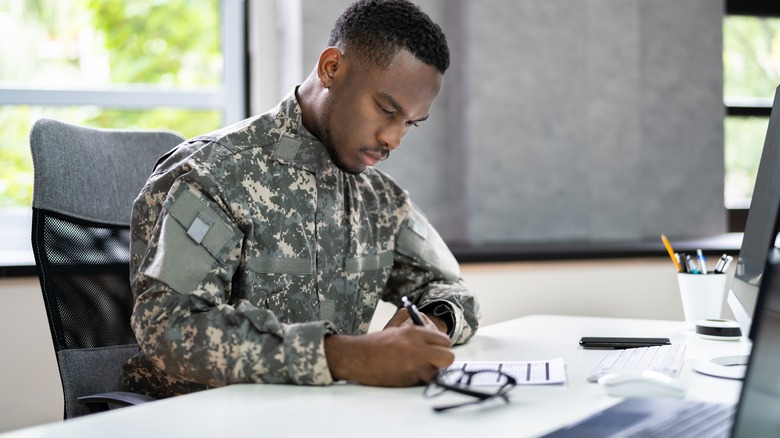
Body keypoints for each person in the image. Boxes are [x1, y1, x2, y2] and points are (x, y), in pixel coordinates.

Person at [121, 0, 480, 398]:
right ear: (331, 69)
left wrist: (432, 322)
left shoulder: (379, 199)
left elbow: (452, 289)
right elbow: (168, 325)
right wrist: (348, 357)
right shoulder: (215, 174)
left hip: (324, 419)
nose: (393, 139)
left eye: (410, 123)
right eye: (384, 109)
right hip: (203, 422)